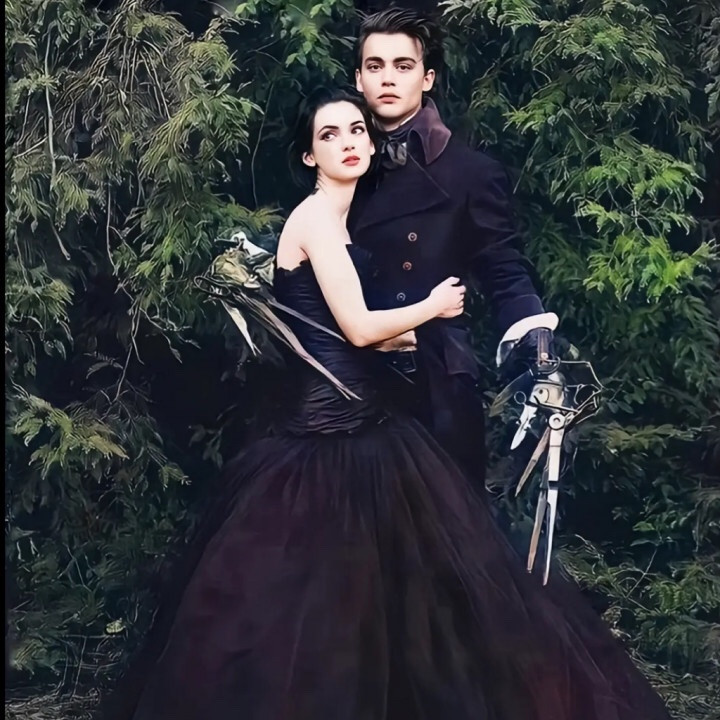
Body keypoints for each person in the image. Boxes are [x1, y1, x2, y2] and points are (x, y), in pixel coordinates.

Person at [102, 88, 670, 720]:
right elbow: (358, 329)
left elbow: (339, 326)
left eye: (356, 131)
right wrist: (432, 307)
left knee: (390, 601)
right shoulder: (316, 220)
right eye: (329, 135)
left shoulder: (339, 220)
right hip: (323, 438)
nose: (348, 143)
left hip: (367, 427)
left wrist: (403, 334)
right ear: (309, 156)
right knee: (306, 611)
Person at [348, 7, 558, 484]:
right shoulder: (337, 164)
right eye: (375, 66)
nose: (387, 78)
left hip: (434, 380)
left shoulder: (470, 173)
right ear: (359, 79)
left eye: (403, 65)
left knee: (438, 521)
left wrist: (537, 344)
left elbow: (502, 267)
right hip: (349, 377)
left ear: (427, 78)